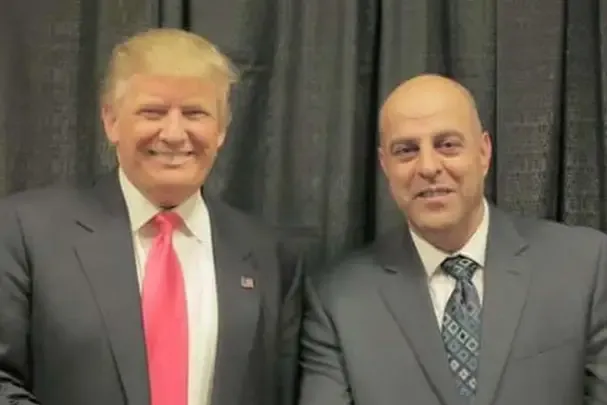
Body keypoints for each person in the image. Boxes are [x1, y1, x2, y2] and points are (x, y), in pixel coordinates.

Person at [0, 28, 302, 405]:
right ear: (111, 121)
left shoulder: (271, 258)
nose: (174, 134)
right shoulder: (25, 233)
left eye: (194, 113)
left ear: (222, 129)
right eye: (153, 112)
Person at [298, 74, 607, 405]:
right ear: (385, 166)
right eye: (406, 150)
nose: (428, 167)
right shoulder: (338, 300)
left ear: (483, 153)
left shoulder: (585, 266)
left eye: (447, 145)